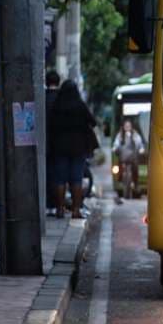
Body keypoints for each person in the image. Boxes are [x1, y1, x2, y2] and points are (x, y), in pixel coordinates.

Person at [49, 80, 97, 219]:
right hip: (78, 149)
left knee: (60, 180)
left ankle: (60, 209)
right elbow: (92, 122)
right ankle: (76, 210)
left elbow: (51, 125)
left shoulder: (57, 106)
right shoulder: (80, 106)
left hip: (59, 148)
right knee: (76, 179)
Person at [112, 119, 145, 204]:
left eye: (129, 126)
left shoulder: (135, 134)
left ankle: (136, 184)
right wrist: (115, 148)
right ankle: (121, 182)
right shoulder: (120, 135)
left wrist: (141, 149)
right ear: (123, 127)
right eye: (126, 126)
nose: (127, 127)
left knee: (135, 169)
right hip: (123, 158)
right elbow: (116, 143)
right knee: (119, 169)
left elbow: (139, 143)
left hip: (133, 158)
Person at [45, 70, 61, 215]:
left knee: (47, 174)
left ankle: (48, 204)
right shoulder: (62, 98)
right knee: (58, 175)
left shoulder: (42, 98)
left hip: (45, 143)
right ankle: (58, 205)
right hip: (60, 144)